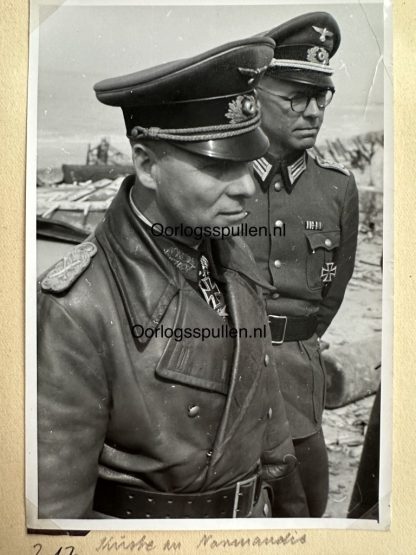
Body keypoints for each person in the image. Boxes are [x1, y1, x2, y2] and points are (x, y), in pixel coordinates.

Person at [37, 37, 309, 519]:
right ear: (146, 165)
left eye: (248, 162)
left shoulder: (232, 256)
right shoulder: (78, 304)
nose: (247, 187)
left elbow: (265, 412)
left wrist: (294, 522)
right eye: (218, 165)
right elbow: (55, 513)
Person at [244, 12, 359, 516]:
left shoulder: (336, 189)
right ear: (256, 94)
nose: (313, 111)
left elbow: (332, 290)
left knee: (306, 512)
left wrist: (297, 338)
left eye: (321, 97)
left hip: (298, 380)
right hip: (226, 375)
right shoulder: (218, 184)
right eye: (295, 96)